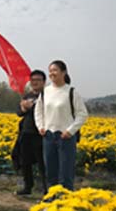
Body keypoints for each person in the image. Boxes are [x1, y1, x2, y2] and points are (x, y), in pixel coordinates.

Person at [35, 60, 89, 191]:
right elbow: (38, 111)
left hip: (65, 137)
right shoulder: (45, 92)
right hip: (48, 136)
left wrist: (70, 131)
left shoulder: (71, 92)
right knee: (51, 172)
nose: (52, 73)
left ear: (63, 72)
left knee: (66, 173)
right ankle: (51, 199)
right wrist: (40, 126)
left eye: (55, 70)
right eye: (50, 71)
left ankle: (66, 201)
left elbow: (83, 114)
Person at [15, 70, 47, 196]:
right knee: (25, 162)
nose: (35, 82)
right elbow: (19, 112)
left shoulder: (47, 96)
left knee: (42, 164)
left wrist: (31, 107)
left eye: (38, 80)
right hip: (26, 133)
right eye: (33, 80)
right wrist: (23, 107)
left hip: (40, 133)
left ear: (44, 82)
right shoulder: (27, 96)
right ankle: (27, 187)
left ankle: (47, 190)